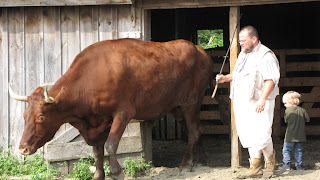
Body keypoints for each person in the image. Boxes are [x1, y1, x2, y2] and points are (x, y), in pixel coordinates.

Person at [216, 25, 280, 179]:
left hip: (259, 99)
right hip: (242, 99)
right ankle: (255, 166)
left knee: (261, 132)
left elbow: (270, 79)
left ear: (254, 39)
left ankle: (270, 162)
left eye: (243, 41)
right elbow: (239, 74)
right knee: (247, 132)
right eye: (240, 41)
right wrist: (226, 78)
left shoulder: (266, 55)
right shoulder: (244, 54)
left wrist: (263, 99)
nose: (241, 44)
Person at [278, 91, 310, 171]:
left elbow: (286, 120)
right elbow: (307, 120)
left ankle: (287, 164)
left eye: (285, 103)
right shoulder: (302, 110)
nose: (285, 105)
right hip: (300, 135)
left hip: (290, 136)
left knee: (286, 150)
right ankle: (299, 165)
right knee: (298, 150)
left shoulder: (288, 111)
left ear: (291, 102)